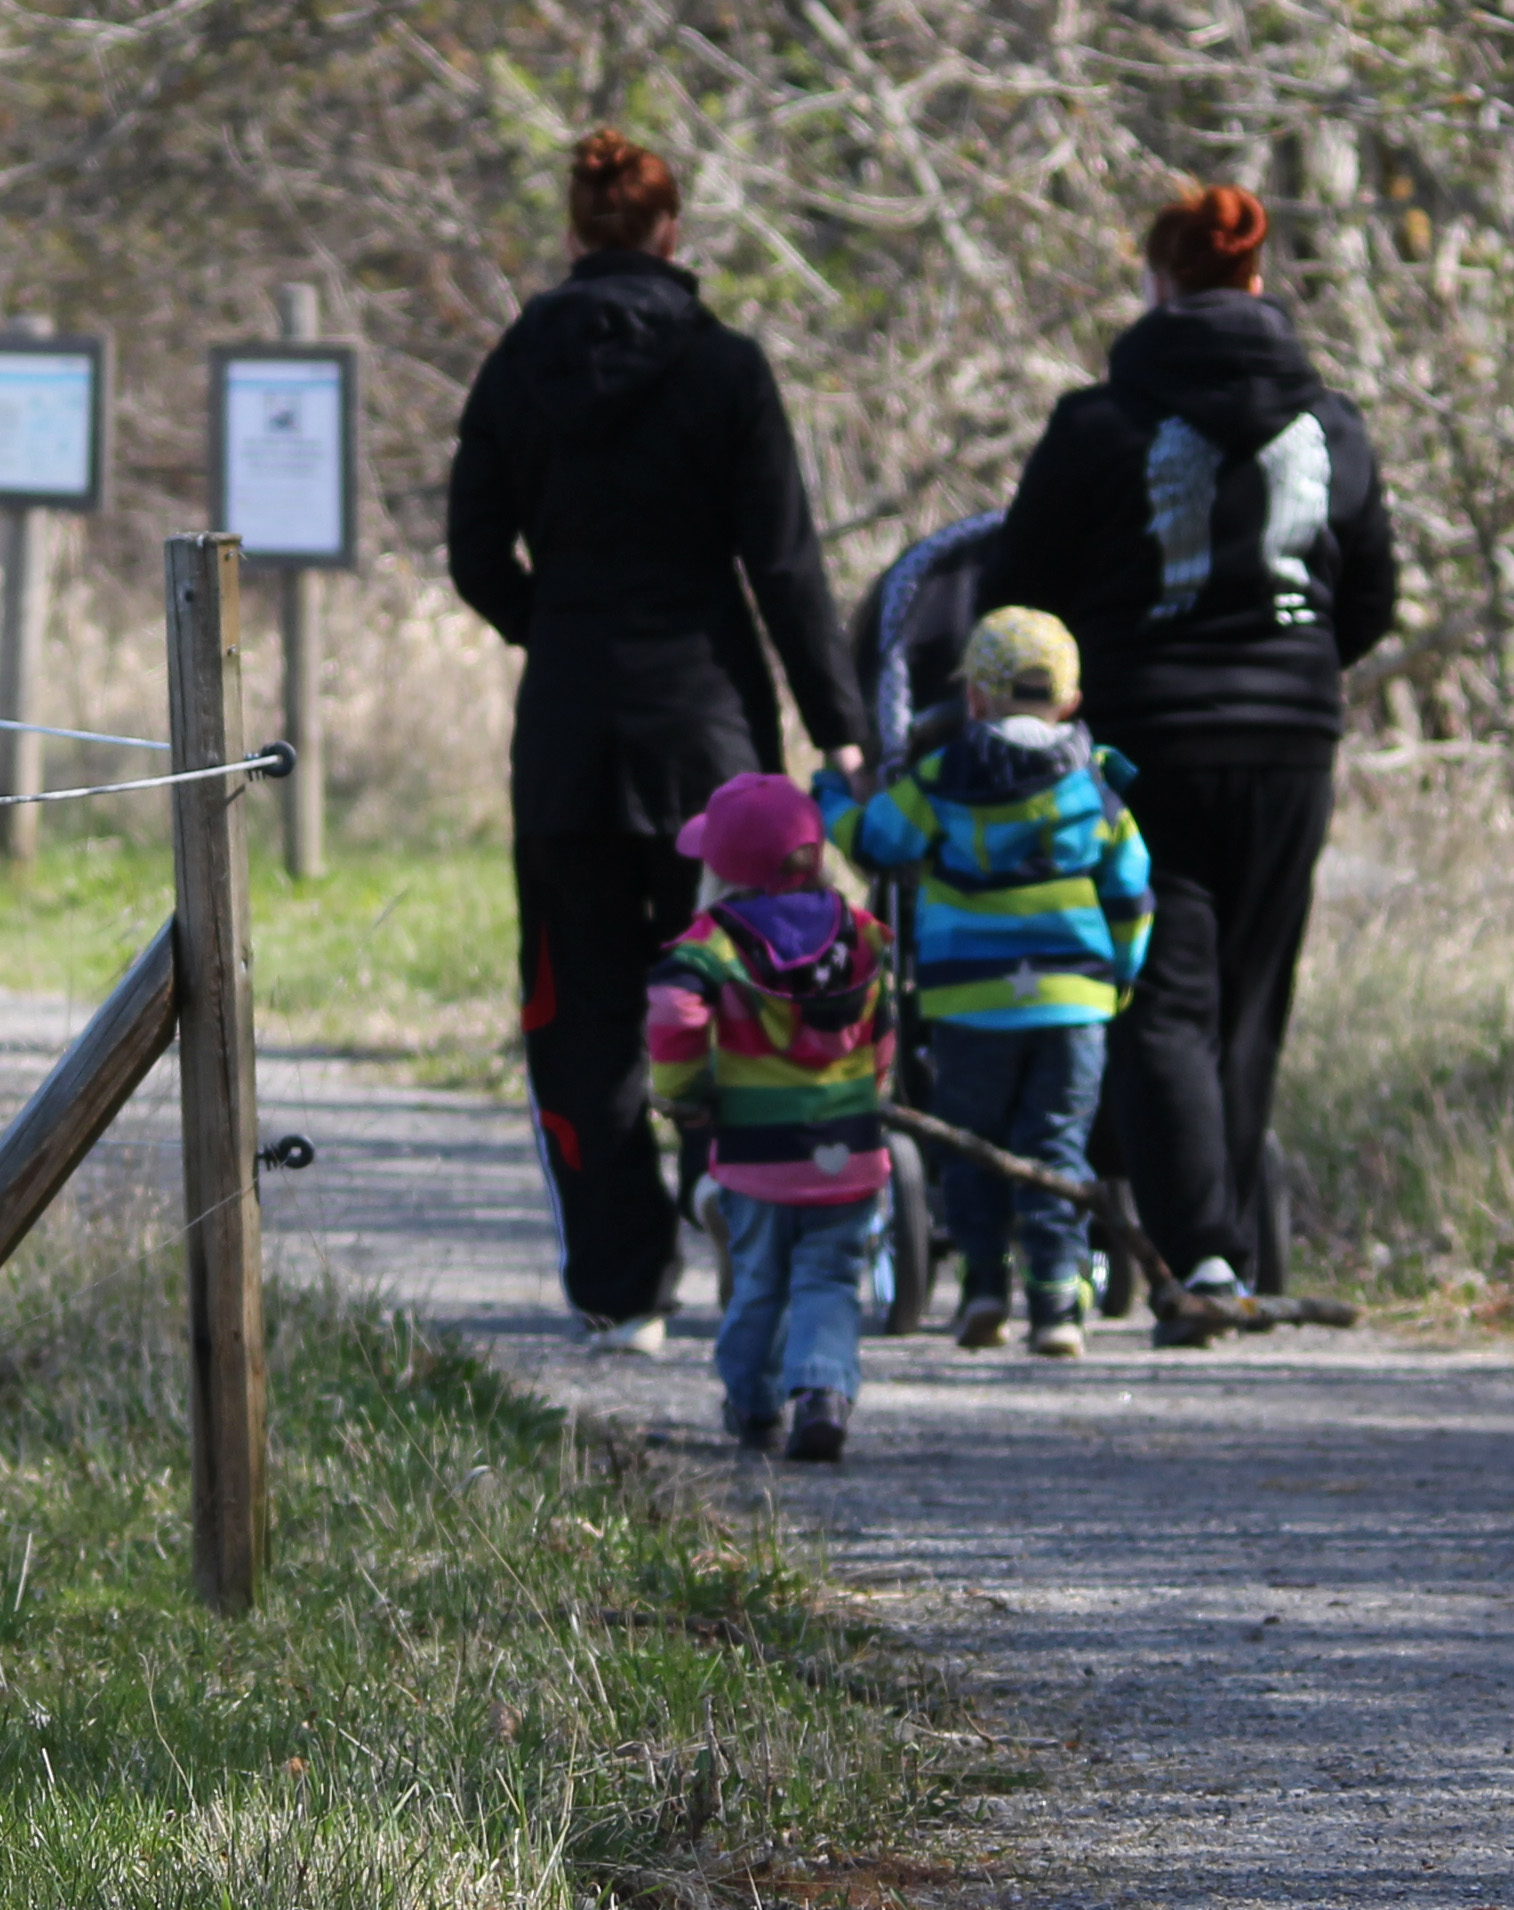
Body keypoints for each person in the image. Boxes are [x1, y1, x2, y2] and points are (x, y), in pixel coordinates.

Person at [451, 129, 873, 1354]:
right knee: (737, 992)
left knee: (578, 1017)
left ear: (577, 237)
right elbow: (785, 565)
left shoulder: (518, 365)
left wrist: (557, 629)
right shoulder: (725, 368)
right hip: (711, 750)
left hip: (571, 745)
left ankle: (620, 1287)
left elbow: (474, 554)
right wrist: (841, 731)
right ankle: (739, 1217)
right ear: (673, 233)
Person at [976, 185, 1398, 1347]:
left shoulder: (1096, 427)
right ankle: (1227, 1247)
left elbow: (1016, 597)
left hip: (1142, 741)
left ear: (1158, 285)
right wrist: (1295, 672)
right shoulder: (1338, 427)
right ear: (1260, 286)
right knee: (1251, 1000)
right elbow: (1368, 600)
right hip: (1290, 745)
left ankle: (1197, 1250)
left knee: (1160, 993)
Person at [823, 608, 1151, 1356]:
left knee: (973, 1143)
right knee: (1056, 1144)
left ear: (973, 698)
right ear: (1070, 702)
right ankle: (1056, 1302)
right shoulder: (1096, 786)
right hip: (1073, 1001)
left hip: (969, 999)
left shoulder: (942, 779)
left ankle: (982, 1287)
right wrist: (1120, 975)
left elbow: (879, 843)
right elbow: (1132, 889)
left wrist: (833, 800)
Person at [644, 773, 892, 1462]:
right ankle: (823, 1392)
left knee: (761, 1280)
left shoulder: (718, 939)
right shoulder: (861, 932)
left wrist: (684, 1089)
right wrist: (874, 1083)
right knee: (830, 1279)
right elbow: (886, 1026)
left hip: (758, 1156)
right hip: (850, 1149)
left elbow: (671, 1009)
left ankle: (753, 1404)